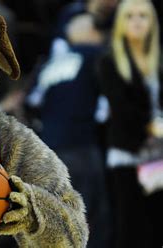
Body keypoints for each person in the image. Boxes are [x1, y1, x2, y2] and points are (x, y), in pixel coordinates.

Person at [26, 6, 113, 247]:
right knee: (93, 220)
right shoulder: (97, 55)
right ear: (92, 32)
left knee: (52, 219)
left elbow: (32, 101)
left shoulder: (51, 64)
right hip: (83, 148)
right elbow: (106, 110)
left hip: (49, 151)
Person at [97, 0, 162, 247]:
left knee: (157, 229)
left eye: (143, 15)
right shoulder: (110, 62)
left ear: (152, 22)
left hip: (159, 156)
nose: (136, 21)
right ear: (121, 22)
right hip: (128, 154)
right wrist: (155, 126)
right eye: (130, 15)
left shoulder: (158, 60)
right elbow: (123, 110)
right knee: (131, 229)